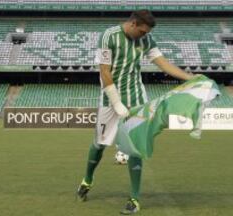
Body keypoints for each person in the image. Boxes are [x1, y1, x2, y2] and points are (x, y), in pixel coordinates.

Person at [76, 10, 195, 215]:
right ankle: (88, 178)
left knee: (134, 147)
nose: (143, 35)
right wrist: (116, 101)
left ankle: (134, 198)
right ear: (132, 24)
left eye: (146, 32)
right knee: (100, 144)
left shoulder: (146, 39)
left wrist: (188, 77)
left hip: (137, 100)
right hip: (109, 99)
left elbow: (163, 63)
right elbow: (104, 70)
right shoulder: (109, 36)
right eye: (141, 31)